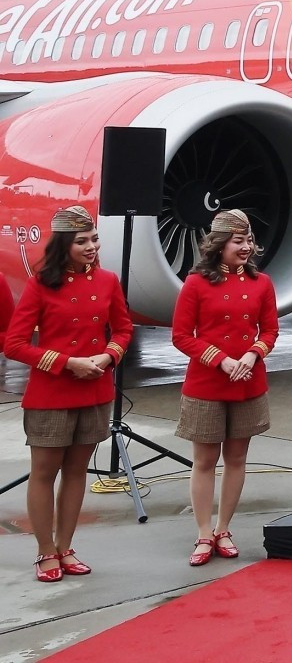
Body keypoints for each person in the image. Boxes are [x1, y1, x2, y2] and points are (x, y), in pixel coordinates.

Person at [4, 206, 130, 583]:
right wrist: (67, 362)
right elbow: (14, 344)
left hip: (95, 389)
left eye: (94, 239)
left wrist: (108, 356)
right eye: (81, 241)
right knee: (44, 473)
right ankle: (45, 551)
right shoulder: (40, 284)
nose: (91, 246)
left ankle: (66, 546)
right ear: (63, 245)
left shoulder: (107, 280)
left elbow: (123, 330)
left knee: (77, 472)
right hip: (52, 392)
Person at [170, 209, 277, 566]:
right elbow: (181, 337)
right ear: (218, 245)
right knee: (204, 460)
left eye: (248, 240)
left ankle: (224, 528)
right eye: (238, 241)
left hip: (248, 381)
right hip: (206, 382)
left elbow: (270, 330)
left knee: (237, 458)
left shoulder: (262, 283)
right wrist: (221, 359)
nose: (246, 247)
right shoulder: (196, 283)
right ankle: (203, 533)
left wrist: (252, 354)